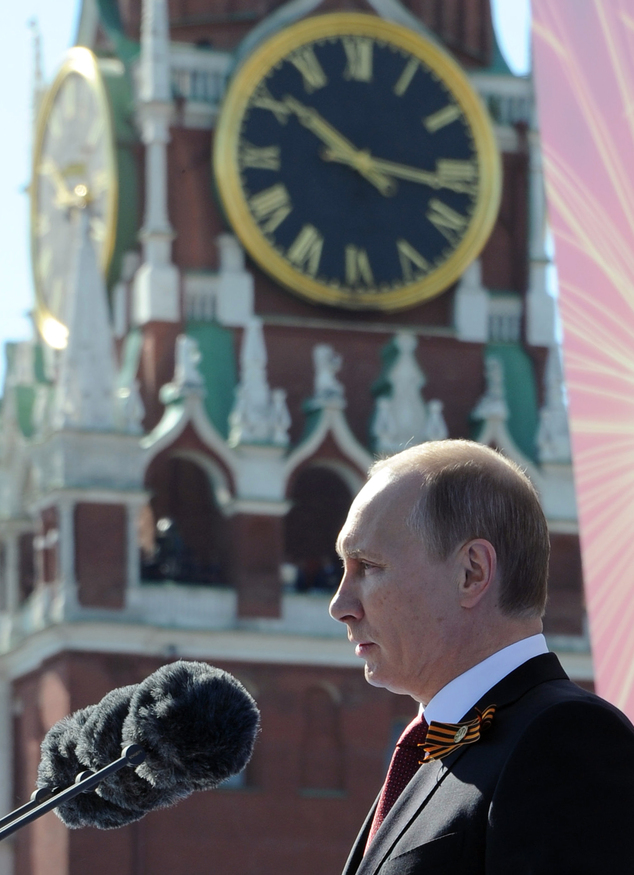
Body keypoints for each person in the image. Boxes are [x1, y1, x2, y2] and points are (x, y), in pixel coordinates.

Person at [330, 440, 634, 874]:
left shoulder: (565, 739)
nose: (340, 604)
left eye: (368, 566)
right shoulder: (439, 746)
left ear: (472, 572)